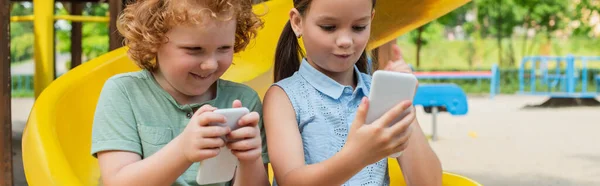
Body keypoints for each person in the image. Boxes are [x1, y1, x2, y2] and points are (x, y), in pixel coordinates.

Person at [263, 0, 443, 185]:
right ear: (297, 22)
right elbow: (290, 181)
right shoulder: (283, 97)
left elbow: (429, 182)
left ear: (371, 19)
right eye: (329, 27)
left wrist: (402, 103)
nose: (345, 41)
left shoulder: (377, 91)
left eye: (358, 27)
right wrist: (358, 156)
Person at [90, 0, 270, 185]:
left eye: (224, 48)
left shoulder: (243, 100)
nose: (211, 64)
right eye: (194, 49)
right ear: (153, 41)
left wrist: (250, 160)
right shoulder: (124, 92)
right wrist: (182, 150)